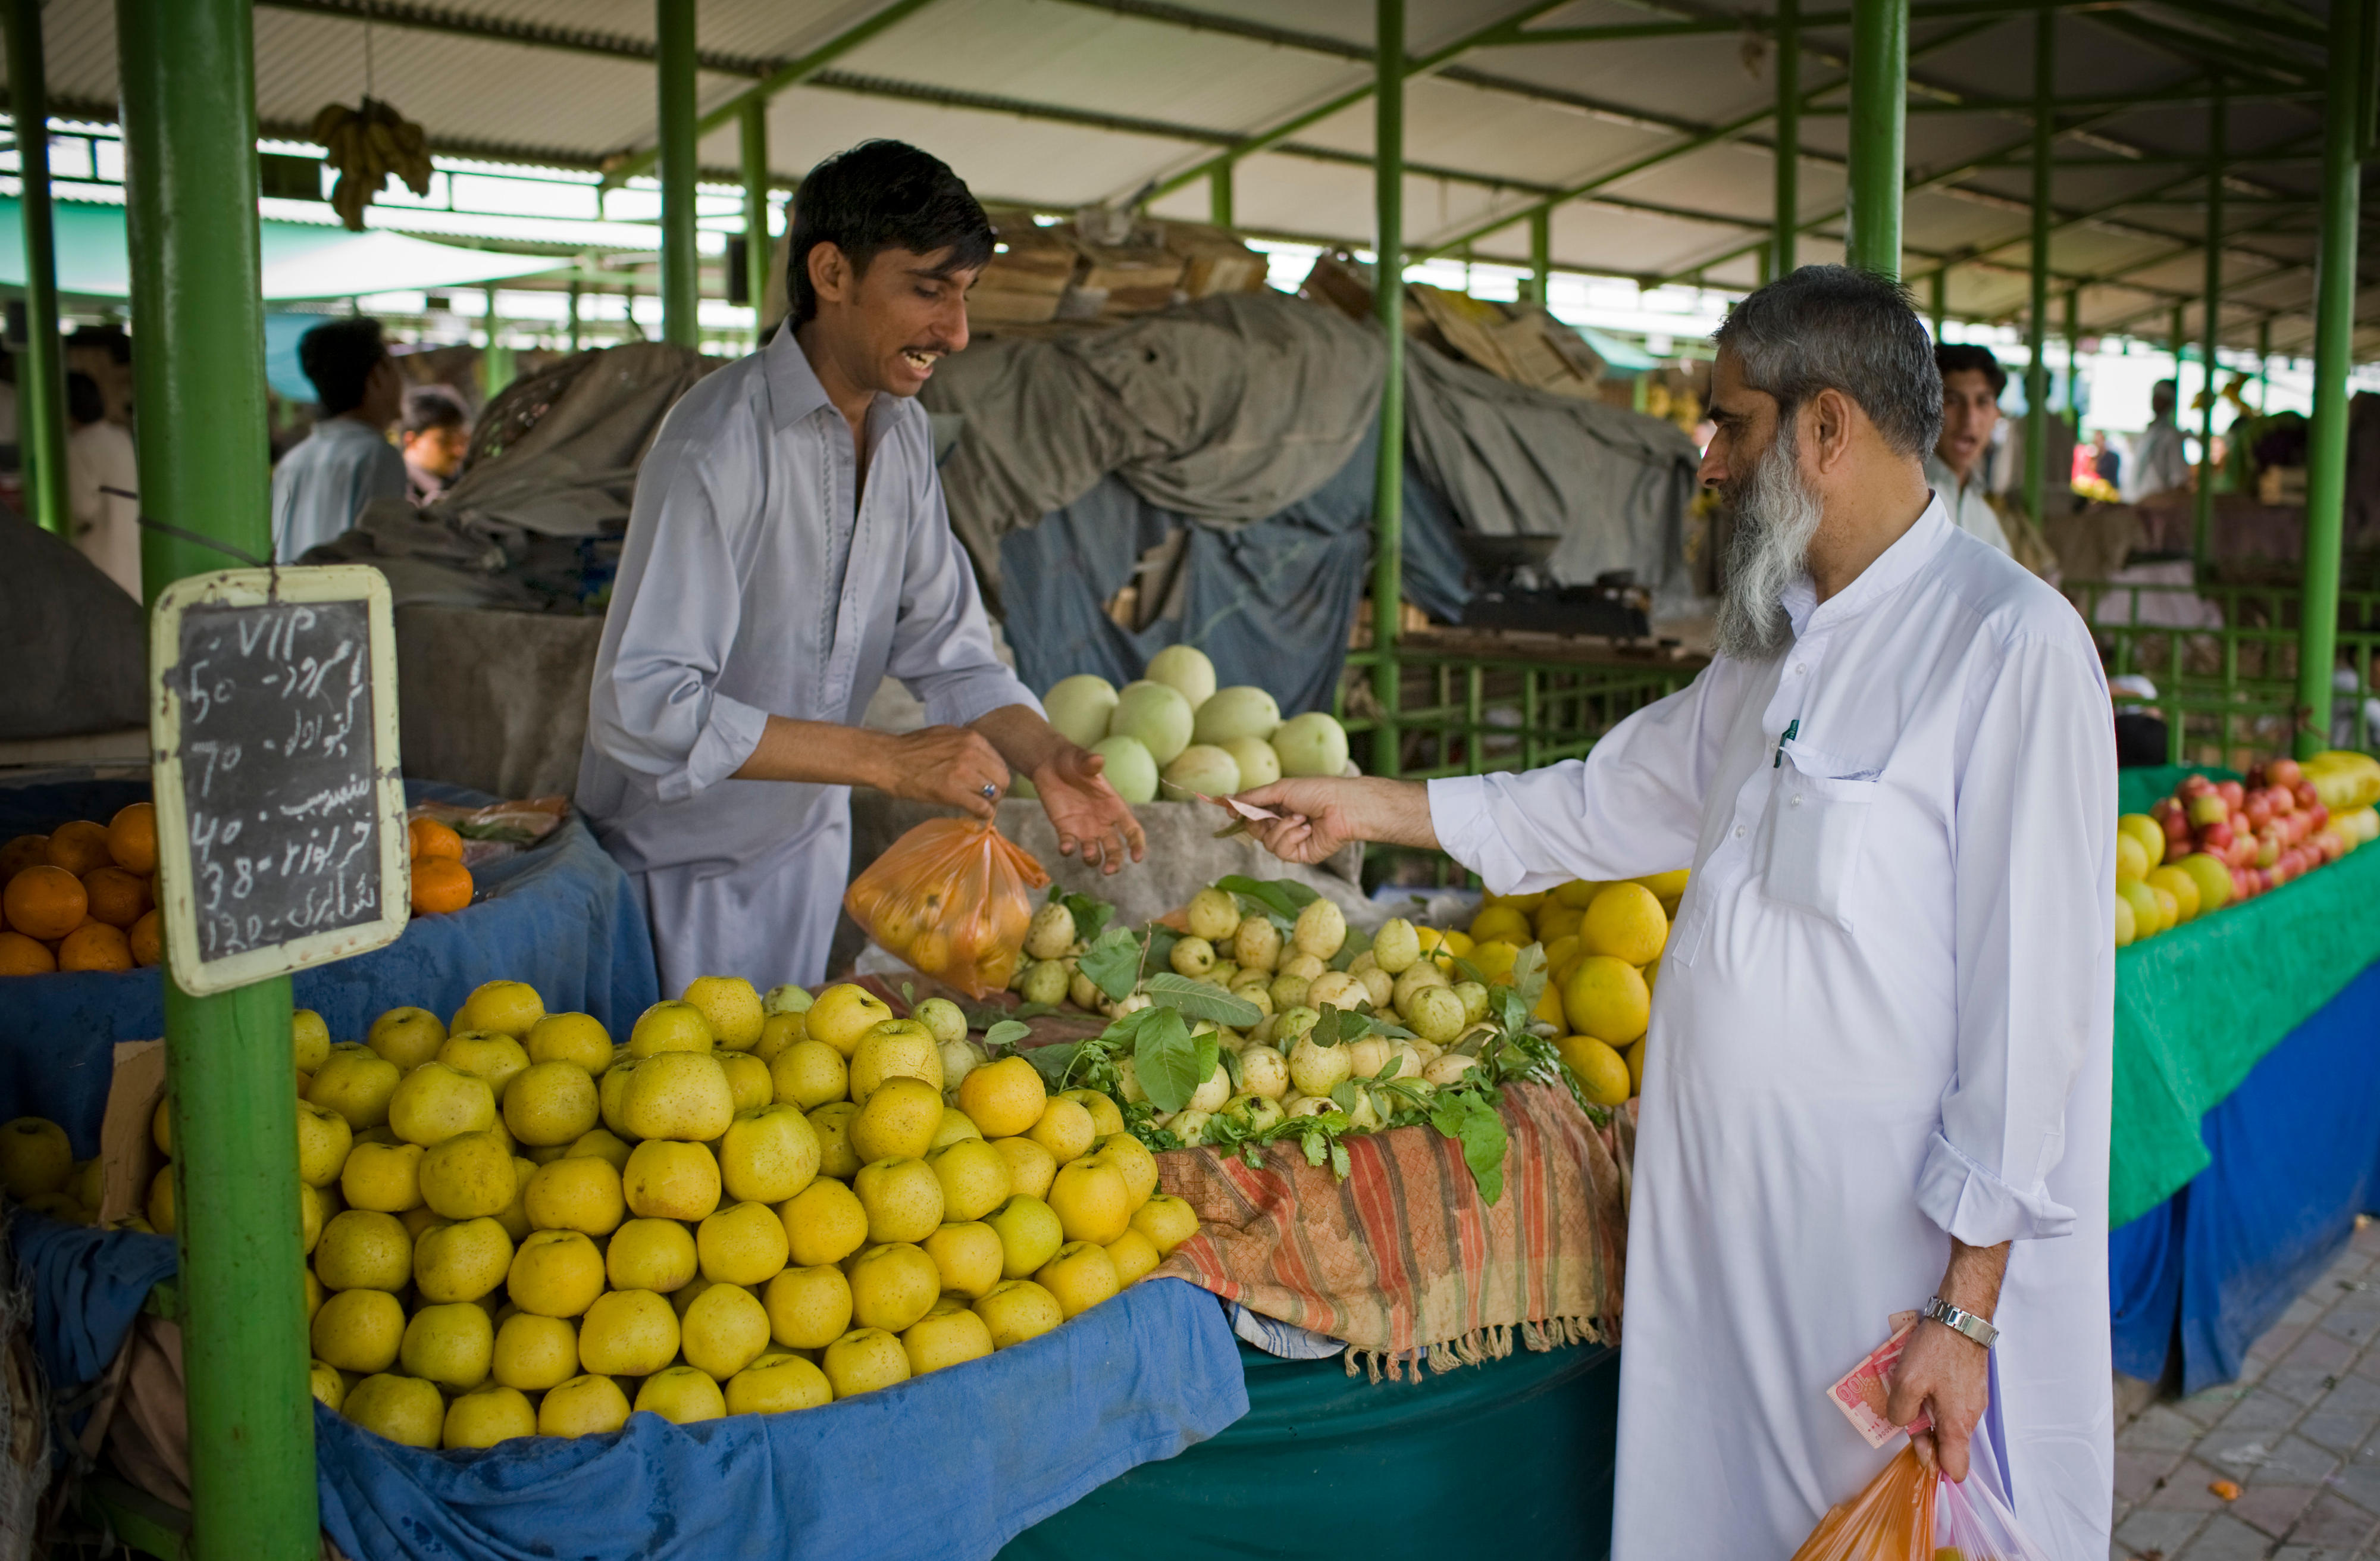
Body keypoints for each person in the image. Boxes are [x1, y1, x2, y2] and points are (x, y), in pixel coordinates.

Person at [1232, 267, 2114, 1559]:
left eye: (1730, 423)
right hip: (1720, 1235)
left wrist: (1964, 1311)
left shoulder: (2007, 647)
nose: (1705, 460)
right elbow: (1606, 802)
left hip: (1880, 1275)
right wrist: (1369, 808)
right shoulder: (1774, 637)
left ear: (1824, 428)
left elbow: (2037, 1010)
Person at [578, 140, 1146, 993]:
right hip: (676, 871)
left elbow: (946, 645)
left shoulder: (903, 433)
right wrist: (886, 759)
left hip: (806, 857)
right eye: (927, 289)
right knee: (668, 1105)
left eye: (964, 296)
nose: (954, 332)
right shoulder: (716, 446)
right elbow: (644, 704)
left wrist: (1046, 753)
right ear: (832, 272)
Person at [271, 317, 406, 561]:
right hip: (355, 599)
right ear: (377, 375)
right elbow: (384, 555)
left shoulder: (292, 462)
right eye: (394, 365)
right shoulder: (377, 456)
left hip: (289, 597)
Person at [1928, 343, 2013, 553]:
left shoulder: (1984, 515)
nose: (1970, 419)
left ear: (1996, 415)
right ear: (1927, 408)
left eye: (1982, 402)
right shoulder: (1903, 495)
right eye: (1953, 401)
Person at [65, 370, 140, 598]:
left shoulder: (77, 446)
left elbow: (83, 508)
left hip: (102, 549)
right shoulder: (121, 436)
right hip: (132, 542)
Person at [399, 386, 471, 505]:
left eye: (462, 441)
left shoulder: (461, 481)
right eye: (445, 441)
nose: (458, 451)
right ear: (411, 441)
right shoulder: (396, 491)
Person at [2127, 378, 2193, 502]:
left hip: (2156, 506)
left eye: (2160, 397)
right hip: (2139, 503)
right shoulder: (2149, 433)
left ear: (2168, 402)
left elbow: (2179, 480)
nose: (2154, 400)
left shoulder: (2171, 436)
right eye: (2155, 396)